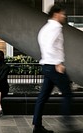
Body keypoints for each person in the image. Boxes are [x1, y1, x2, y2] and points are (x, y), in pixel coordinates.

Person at [32, 4, 74, 133]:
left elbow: (43, 44)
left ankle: (37, 126)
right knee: (67, 94)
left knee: (43, 97)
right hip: (54, 66)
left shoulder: (45, 28)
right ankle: (68, 125)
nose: (64, 16)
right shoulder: (55, 27)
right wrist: (57, 63)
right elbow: (50, 45)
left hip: (47, 66)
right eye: (62, 14)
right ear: (56, 14)